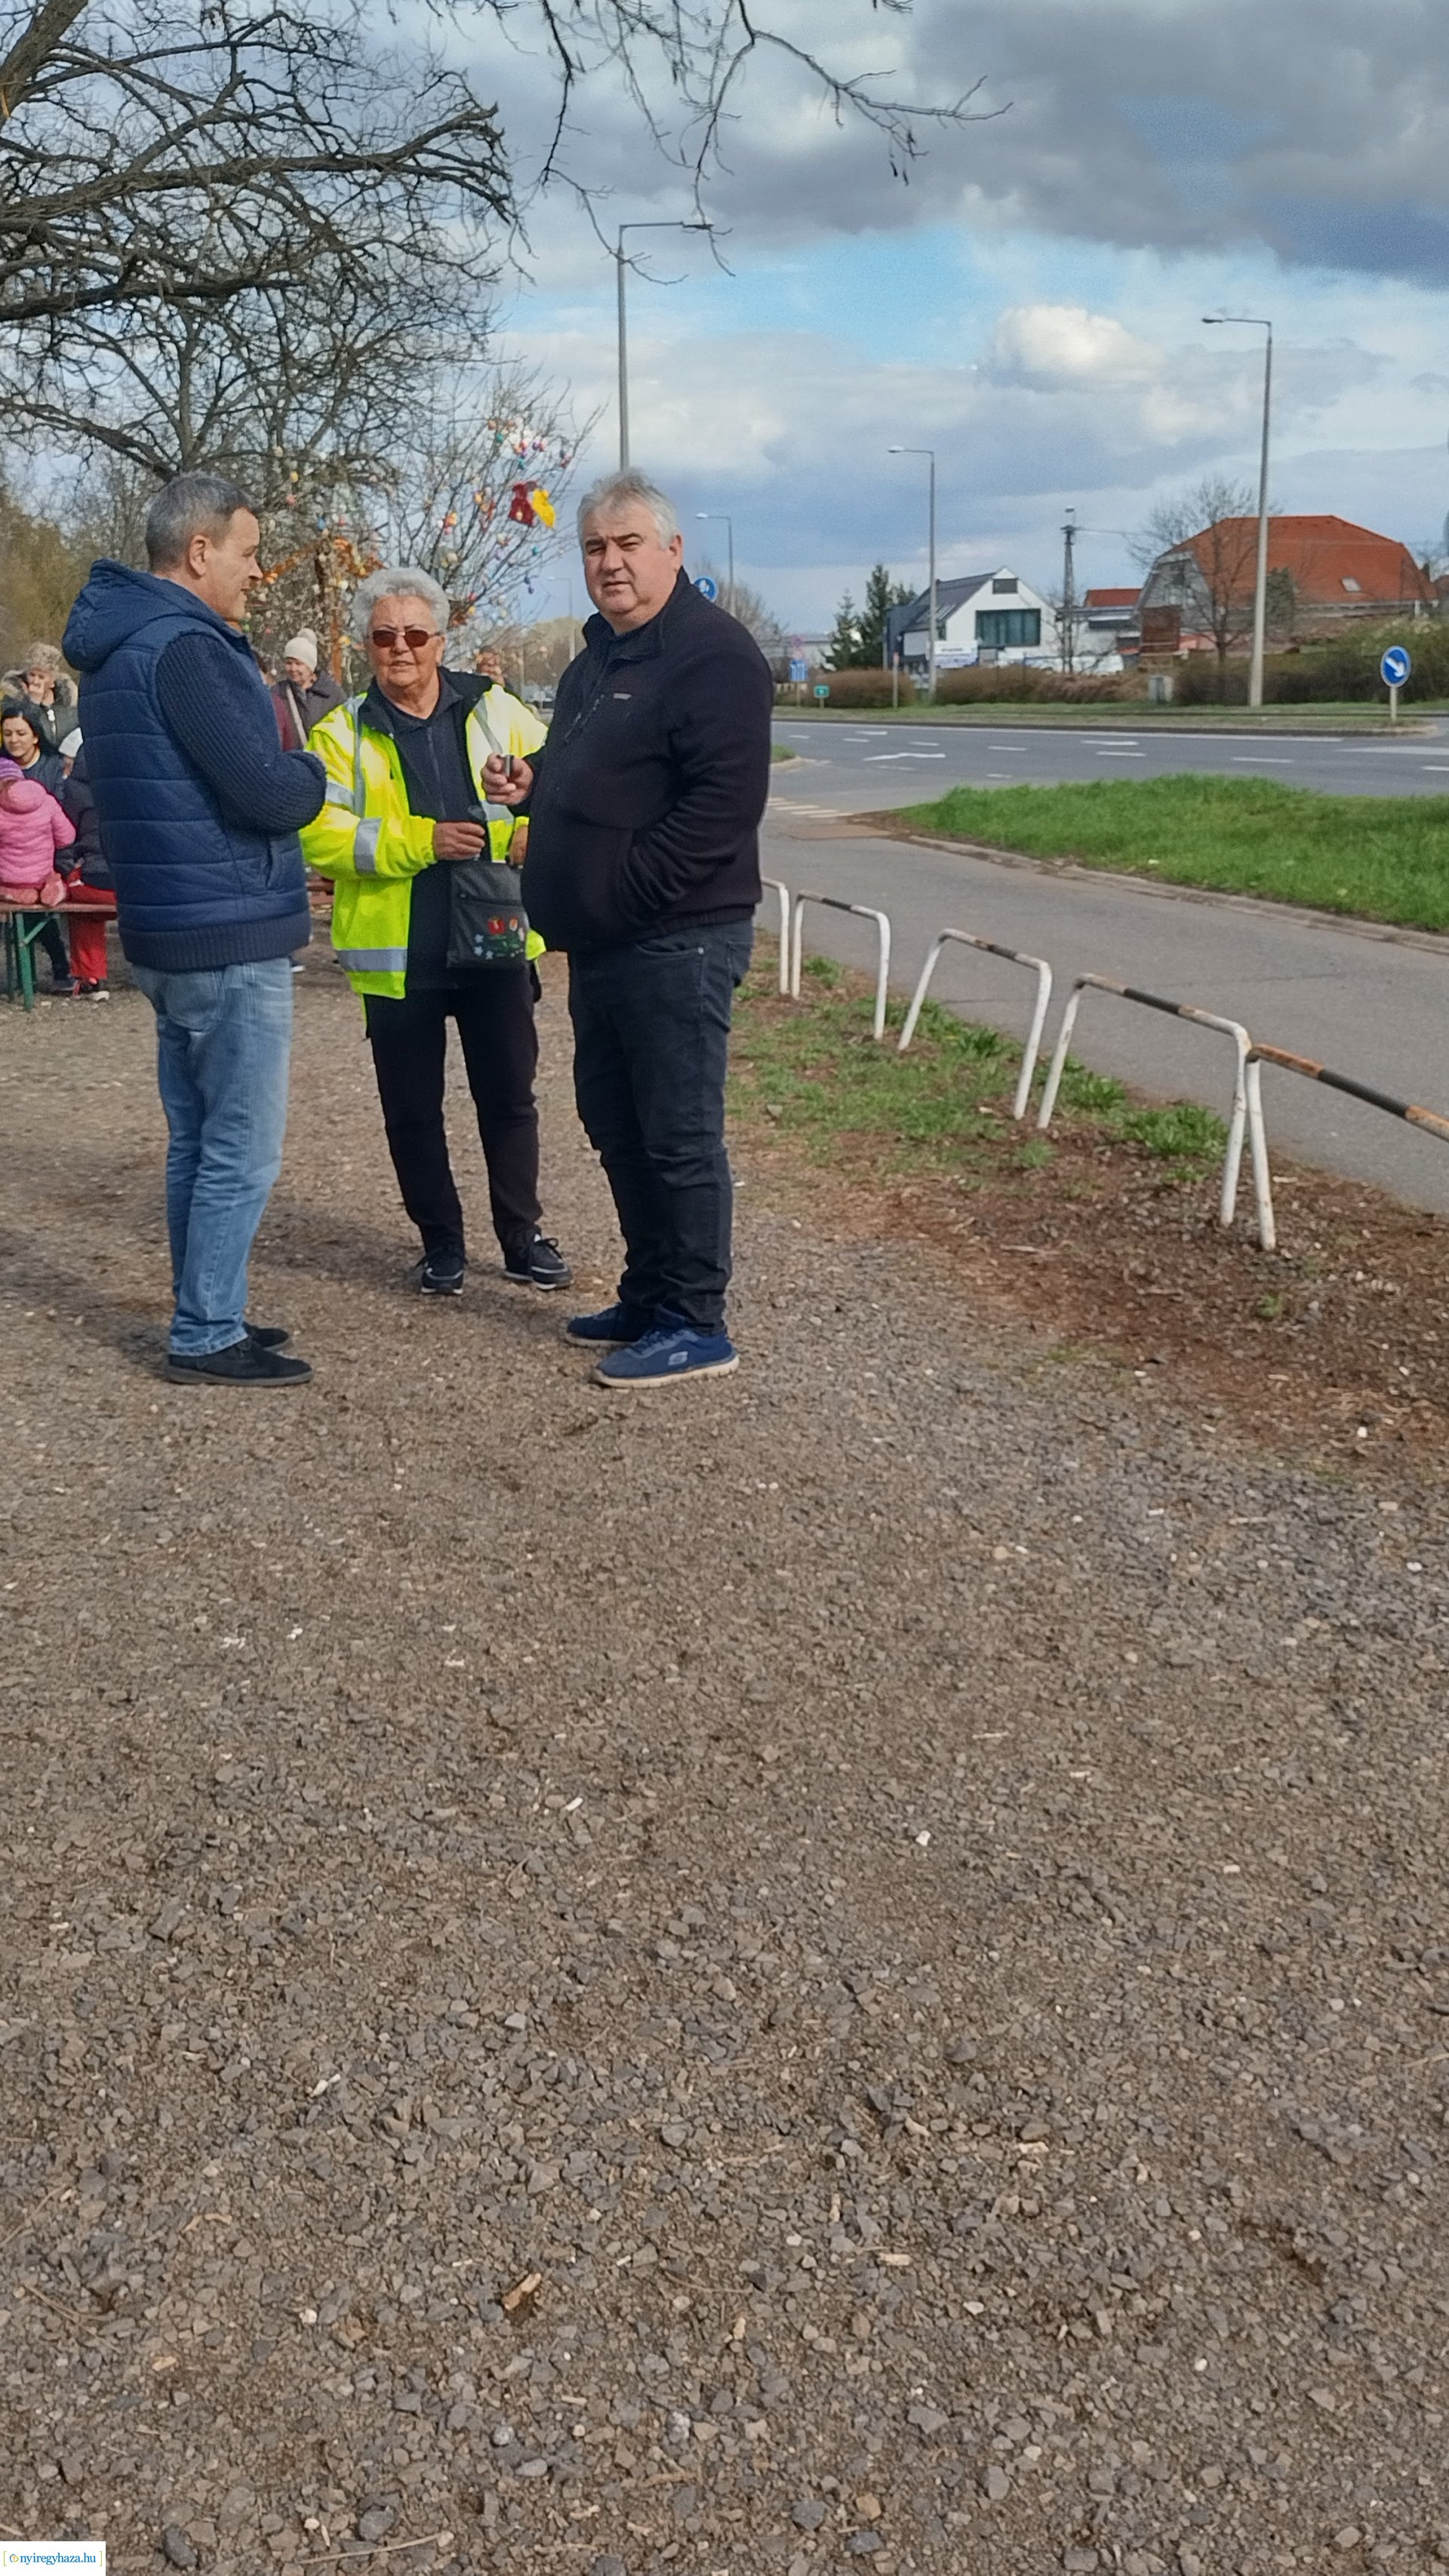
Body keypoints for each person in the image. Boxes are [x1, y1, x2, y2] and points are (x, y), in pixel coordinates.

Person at [493, 469, 772, 1390]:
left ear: (673, 551)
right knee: (616, 1122)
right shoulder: (600, 658)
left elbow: (718, 811)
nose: (610, 564)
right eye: (594, 548)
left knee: (677, 1132)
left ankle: (697, 1318)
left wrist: (623, 892)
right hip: (608, 941)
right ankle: (650, 1291)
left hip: (678, 937)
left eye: (627, 545)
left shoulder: (712, 657)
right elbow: (591, 762)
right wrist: (534, 777)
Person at [63, 469, 327, 1388]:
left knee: (196, 1138)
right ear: (201, 550)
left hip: (167, 925)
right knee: (240, 1147)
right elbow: (261, 788)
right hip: (227, 925)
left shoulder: (120, 647)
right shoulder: (186, 647)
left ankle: (204, 1306)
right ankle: (205, 1329)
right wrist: (314, 776)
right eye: (249, 554)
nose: (257, 574)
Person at [302, 568, 571, 1297]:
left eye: (416, 635)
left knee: (509, 1097)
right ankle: (441, 1244)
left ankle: (520, 1236)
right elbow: (320, 836)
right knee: (413, 1111)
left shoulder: (495, 708)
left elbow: (563, 780)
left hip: (496, 939)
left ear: (442, 640)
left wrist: (528, 827)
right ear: (366, 645)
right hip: (401, 954)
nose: (402, 650)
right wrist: (421, 840)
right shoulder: (340, 731)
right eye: (386, 636)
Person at [2, 700, 73, 987]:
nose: (13, 740)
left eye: (20, 733)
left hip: (51, 856)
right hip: (8, 858)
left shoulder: (53, 768)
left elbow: (65, 822)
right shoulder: (1, 767)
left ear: (35, 735)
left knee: (37, 899)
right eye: (7, 734)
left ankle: (58, 964)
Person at [57, 728, 117, 998]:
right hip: (143, 884)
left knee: (80, 905)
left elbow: (66, 838)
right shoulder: (137, 785)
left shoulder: (74, 790)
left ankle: (90, 976)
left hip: (95, 883)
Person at [270, 627, 344, 752]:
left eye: (298, 663)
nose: (293, 669)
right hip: (293, 763)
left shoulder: (332, 694)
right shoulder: (277, 693)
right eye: (289, 663)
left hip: (327, 763)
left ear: (310, 666)